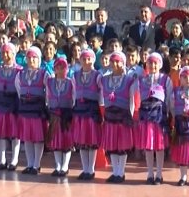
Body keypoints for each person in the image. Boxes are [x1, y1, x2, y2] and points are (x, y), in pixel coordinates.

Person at [99, 51, 136, 183]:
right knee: (112, 145)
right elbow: (102, 98)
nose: (114, 64)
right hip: (110, 116)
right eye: (112, 61)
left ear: (123, 63)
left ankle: (121, 172)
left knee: (122, 146)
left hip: (123, 117)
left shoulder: (129, 80)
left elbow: (132, 100)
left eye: (117, 61)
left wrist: (130, 116)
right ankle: (115, 172)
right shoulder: (104, 79)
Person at [136, 52, 172, 184]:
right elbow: (137, 95)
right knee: (148, 146)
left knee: (159, 146)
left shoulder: (165, 79)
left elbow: (169, 99)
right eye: (150, 63)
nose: (152, 65)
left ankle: (159, 174)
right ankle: (150, 173)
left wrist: (168, 113)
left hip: (159, 117)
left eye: (155, 63)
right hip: (146, 116)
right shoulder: (141, 79)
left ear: (160, 64)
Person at [15, 46, 49, 175]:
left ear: (39, 59)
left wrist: (45, 102)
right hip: (25, 109)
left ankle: (36, 164)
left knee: (38, 138)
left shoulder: (44, 74)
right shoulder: (21, 74)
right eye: (29, 57)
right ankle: (29, 164)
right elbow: (18, 88)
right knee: (27, 137)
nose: (31, 60)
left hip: (37, 110)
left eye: (34, 57)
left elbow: (49, 90)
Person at [71, 49, 102, 180]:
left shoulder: (97, 75)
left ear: (93, 60)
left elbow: (101, 93)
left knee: (91, 140)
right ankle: (85, 169)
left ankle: (91, 169)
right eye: (84, 59)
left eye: (89, 59)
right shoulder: (75, 75)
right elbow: (73, 93)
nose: (86, 61)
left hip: (92, 110)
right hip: (80, 110)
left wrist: (101, 109)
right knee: (82, 140)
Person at [0, 42, 22, 170]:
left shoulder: (19, 70)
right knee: (1, 133)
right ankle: (2, 160)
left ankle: (14, 160)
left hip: (14, 104)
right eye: (3, 52)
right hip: (1, 103)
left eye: (8, 52)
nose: (5, 55)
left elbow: (20, 88)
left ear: (13, 54)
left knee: (15, 133)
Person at [46, 57, 76, 177]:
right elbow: (47, 96)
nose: (60, 70)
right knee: (55, 141)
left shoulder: (70, 82)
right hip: (54, 114)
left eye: (63, 67)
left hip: (66, 115)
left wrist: (71, 111)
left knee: (66, 142)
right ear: (54, 69)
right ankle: (58, 165)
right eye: (58, 67)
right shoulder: (50, 82)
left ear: (66, 69)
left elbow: (74, 97)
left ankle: (65, 166)